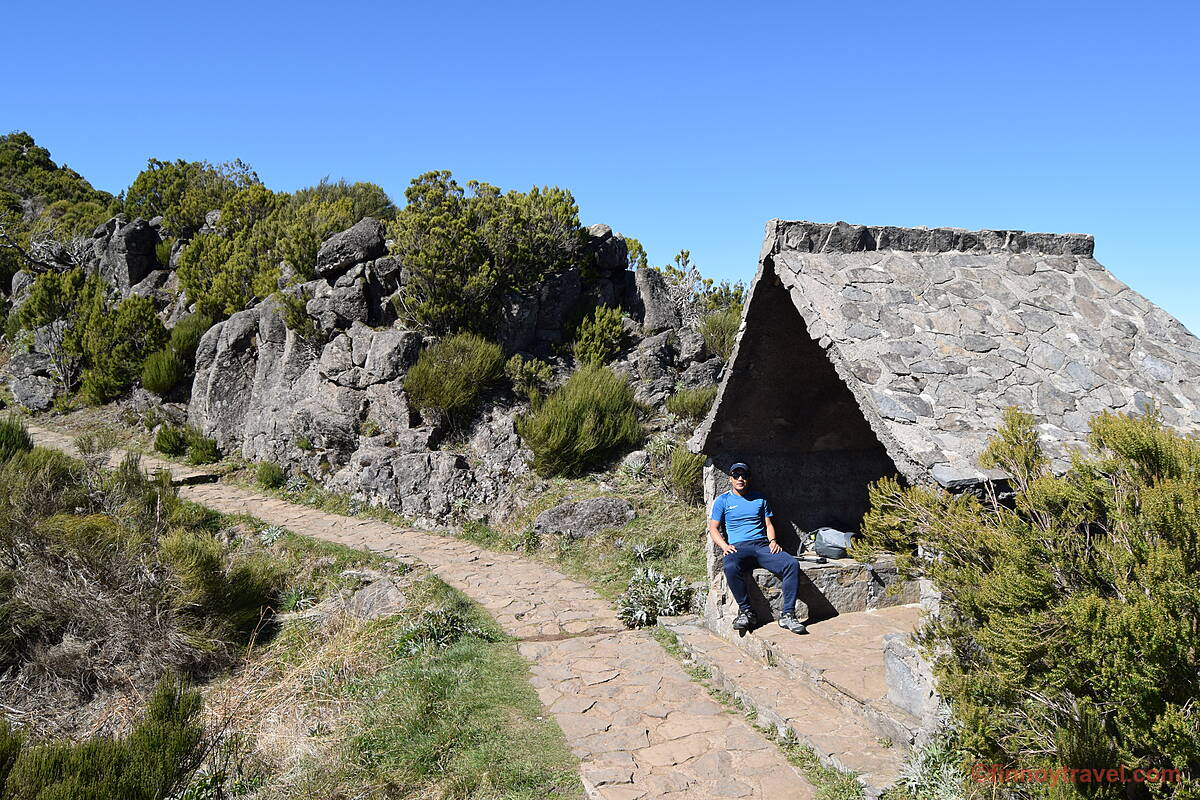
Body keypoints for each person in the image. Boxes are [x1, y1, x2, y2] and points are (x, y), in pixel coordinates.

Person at [707, 462, 806, 634]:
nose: (740, 479)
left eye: (744, 475)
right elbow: (713, 528)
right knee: (730, 566)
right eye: (736, 475)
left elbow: (768, 524)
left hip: (761, 545)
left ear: (749, 479)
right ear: (730, 478)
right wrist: (724, 546)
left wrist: (773, 541)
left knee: (791, 564)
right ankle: (747, 612)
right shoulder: (722, 501)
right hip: (738, 547)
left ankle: (788, 614)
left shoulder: (760, 499)